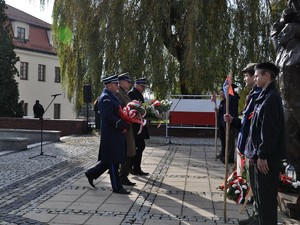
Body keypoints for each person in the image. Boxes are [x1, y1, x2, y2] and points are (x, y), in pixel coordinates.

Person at [245, 62, 286, 225]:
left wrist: (262, 155)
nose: (255, 79)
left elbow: (269, 132)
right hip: (260, 157)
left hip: (267, 161)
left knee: (267, 204)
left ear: (266, 76)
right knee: (261, 203)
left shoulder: (271, 99)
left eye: (257, 75)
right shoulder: (264, 96)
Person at [224, 63, 262, 225]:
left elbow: (257, 126)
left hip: (252, 146)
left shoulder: (260, 95)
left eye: (247, 75)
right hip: (247, 145)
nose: (244, 78)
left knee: (258, 186)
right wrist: (233, 120)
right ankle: (256, 215)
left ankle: (260, 217)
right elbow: (247, 123)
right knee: (253, 184)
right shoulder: (253, 93)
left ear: (255, 76)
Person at [85, 74, 131, 194]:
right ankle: (117, 187)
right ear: (109, 85)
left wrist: (125, 120)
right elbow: (107, 117)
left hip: (115, 133)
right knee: (113, 162)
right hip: (111, 134)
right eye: (115, 84)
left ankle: (91, 173)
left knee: (109, 160)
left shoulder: (112, 96)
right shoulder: (105, 97)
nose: (117, 86)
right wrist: (121, 124)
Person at [115, 72, 136, 186]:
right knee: (127, 152)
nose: (129, 84)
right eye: (128, 82)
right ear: (122, 82)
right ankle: (122, 176)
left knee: (130, 152)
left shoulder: (124, 93)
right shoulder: (119, 93)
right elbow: (121, 109)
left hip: (128, 125)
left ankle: (123, 176)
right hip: (124, 127)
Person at [128, 78, 150, 176]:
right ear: (137, 85)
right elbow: (130, 109)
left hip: (139, 124)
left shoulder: (139, 94)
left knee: (140, 146)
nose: (144, 89)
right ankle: (131, 166)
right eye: (142, 86)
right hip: (134, 125)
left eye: (144, 87)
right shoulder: (131, 94)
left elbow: (142, 107)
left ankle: (135, 167)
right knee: (139, 146)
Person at [217, 83, 239, 164]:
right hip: (226, 122)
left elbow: (232, 111)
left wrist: (230, 121)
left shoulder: (233, 98)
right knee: (227, 140)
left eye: (227, 88)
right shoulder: (228, 98)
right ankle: (226, 156)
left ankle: (229, 158)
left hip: (231, 123)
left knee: (230, 141)